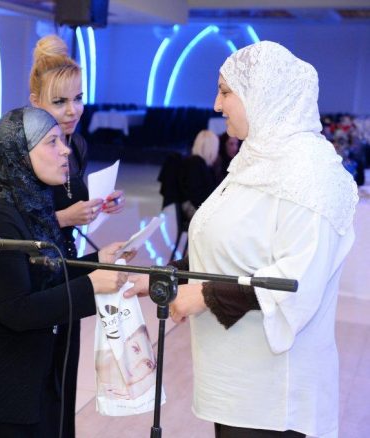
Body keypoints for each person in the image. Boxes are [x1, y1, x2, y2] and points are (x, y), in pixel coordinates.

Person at [127, 41, 358, 437]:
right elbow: (229, 249)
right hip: (236, 382)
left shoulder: (313, 174)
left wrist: (203, 295)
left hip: (276, 397)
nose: (217, 105)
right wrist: (165, 277)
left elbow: (295, 280)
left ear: (263, 92)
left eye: (225, 91)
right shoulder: (253, 162)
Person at [0, 107, 131, 437]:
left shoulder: (33, 208)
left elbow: (47, 278)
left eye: (62, 141)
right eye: (52, 142)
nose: (65, 150)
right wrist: (91, 286)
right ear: (21, 155)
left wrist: (99, 261)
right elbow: (17, 309)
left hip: (20, 380)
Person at [28, 35, 125, 436]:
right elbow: (12, 226)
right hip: (33, 276)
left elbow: (75, 202)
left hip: (68, 268)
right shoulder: (22, 153)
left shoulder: (77, 146)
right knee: (38, 380)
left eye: (79, 99)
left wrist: (101, 203)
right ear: (35, 102)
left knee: (65, 374)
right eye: (60, 102)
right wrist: (64, 217)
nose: (73, 111)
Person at [178, 129, 219, 224]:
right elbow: (196, 195)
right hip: (196, 211)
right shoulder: (196, 164)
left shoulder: (198, 164)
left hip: (198, 208)